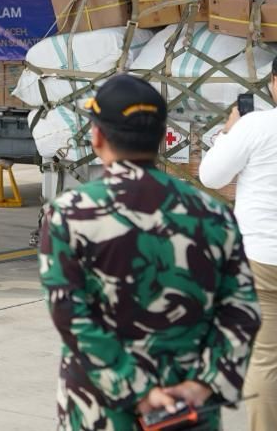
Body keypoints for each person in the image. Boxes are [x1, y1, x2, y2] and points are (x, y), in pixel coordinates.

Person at [40, 74, 261, 431]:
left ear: (97, 136)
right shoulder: (212, 213)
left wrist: (137, 391)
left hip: (101, 410)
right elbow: (241, 311)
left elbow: (71, 316)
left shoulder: (70, 214)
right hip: (186, 410)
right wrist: (202, 384)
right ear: (161, 138)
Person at [200, 60, 277, 430]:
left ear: (275, 83)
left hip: (264, 257)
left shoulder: (257, 125)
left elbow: (212, 175)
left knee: (265, 358)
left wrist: (229, 132)